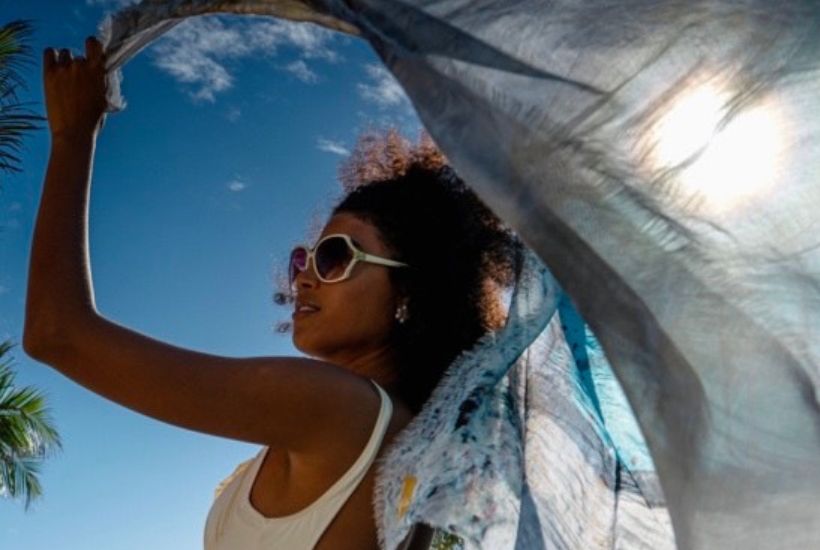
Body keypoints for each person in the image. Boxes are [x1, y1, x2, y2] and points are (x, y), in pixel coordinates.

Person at [24, 37, 518, 550]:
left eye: (334, 257)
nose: (302, 277)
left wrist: (72, 136)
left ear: (407, 293)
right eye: (302, 260)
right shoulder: (405, 446)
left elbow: (56, 334)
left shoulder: (341, 410)